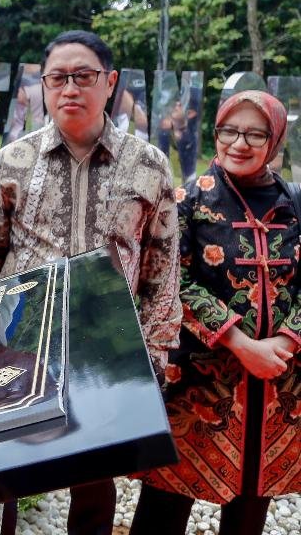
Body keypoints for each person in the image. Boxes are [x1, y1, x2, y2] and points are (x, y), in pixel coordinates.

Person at [0, 30, 181, 535]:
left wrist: (155, 356)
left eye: (84, 76)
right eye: (58, 78)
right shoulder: (13, 161)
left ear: (109, 82)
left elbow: (162, 268)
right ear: (43, 87)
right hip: (23, 342)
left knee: (94, 476)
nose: (70, 88)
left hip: (108, 346)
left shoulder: (149, 164)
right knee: (9, 469)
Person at [133, 91, 301, 535]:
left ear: (275, 138)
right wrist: (241, 343)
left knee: (251, 495)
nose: (239, 143)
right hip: (199, 383)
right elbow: (170, 279)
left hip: (274, 383)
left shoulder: (296, 204)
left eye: (255, 133)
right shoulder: (187, 200)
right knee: (166, 497)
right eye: (229, 130)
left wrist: (284, 342)